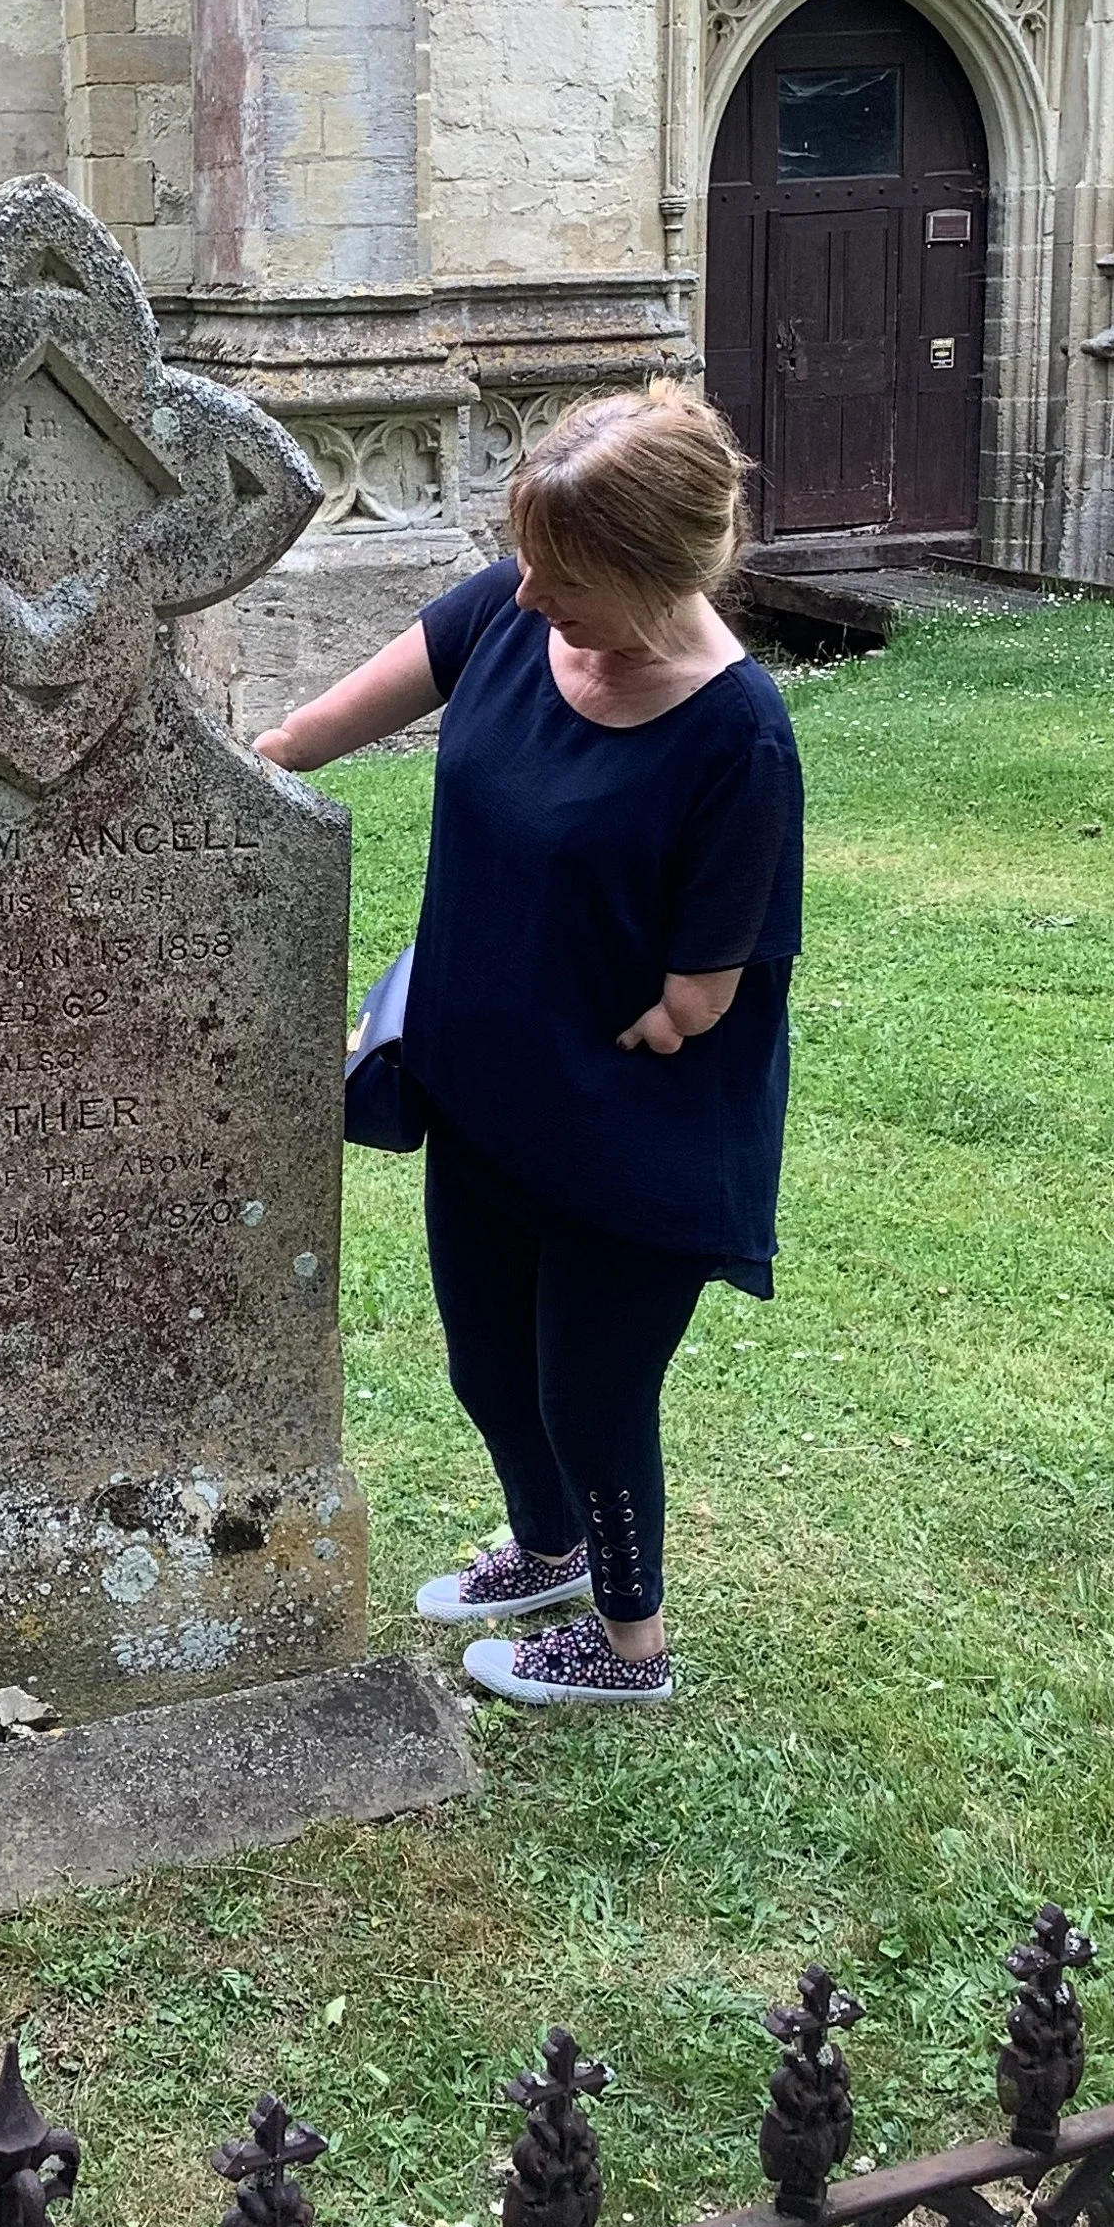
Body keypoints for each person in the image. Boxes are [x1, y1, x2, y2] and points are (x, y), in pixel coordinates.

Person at [254, 387, 803, 1709]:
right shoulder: (517, 607)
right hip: (483, 1091)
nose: (530, 591)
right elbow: (306, 737)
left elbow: (701, 994)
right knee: (488, 1364)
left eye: (567, 574)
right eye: (531, 561)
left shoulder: (737, 738)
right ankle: (547, 1552)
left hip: (632, 1139)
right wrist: (242, 780)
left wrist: (606, 1029)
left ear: (657, 573)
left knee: (591, 1394)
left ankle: (629, 1646)